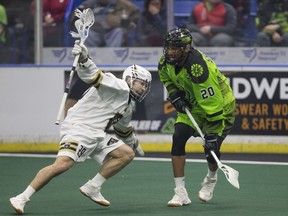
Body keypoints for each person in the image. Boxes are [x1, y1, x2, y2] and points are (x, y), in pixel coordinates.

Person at [9, 40, 152, 215]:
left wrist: (134, 143)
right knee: (62, 165)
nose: (143, 87)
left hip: (96, 134)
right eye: (140, 83)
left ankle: (93, 187)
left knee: (126, 154)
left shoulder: (127, 104)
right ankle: (22, 197)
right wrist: (85, 59)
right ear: (129, 79)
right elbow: (92, 75)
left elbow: (123, 129)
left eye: (145, 85)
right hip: (79, 128)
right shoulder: (119, 85)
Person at [158, 27, 236, 206]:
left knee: (211, 150)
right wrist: (174, 93)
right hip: (194, 106)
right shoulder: (166, 61)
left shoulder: (197, 67)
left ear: (186, 48)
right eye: (168, 47)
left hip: (221, 108)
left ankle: (211, 179)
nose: (170, 51)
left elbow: (213, 102)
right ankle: (180, 192)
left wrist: (212, 133)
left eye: (174, 48)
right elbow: (165, 78)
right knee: (178, 137)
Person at [76, 0, 140, 47]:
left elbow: (136, 12)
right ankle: (90, 57)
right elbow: (75, 16)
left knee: (118, 32)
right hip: (93, 31)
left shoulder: (121, 3)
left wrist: (132, 21)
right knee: (84, 32)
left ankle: (113, 56)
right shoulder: (88, 3)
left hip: (112, 30)